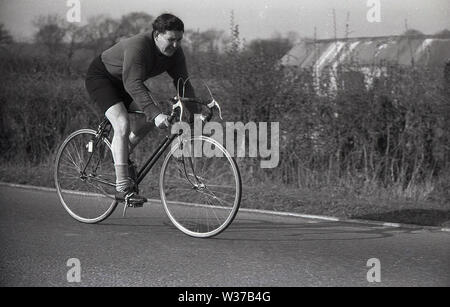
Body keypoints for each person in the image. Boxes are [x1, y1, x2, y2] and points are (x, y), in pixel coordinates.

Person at [85, 13, 199, 203]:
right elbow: (133, 83)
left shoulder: (175, 53)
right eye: (171, 40)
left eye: (179, 40)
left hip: (128, 82)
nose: (176, 45)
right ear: (156, 35)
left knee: (159, 111)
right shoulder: (139, 46)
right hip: (103, 79)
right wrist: (154, 114)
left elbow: (183, 84)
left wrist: (196, 114)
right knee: (122, 123)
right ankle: (122, 187)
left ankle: (122, 151)